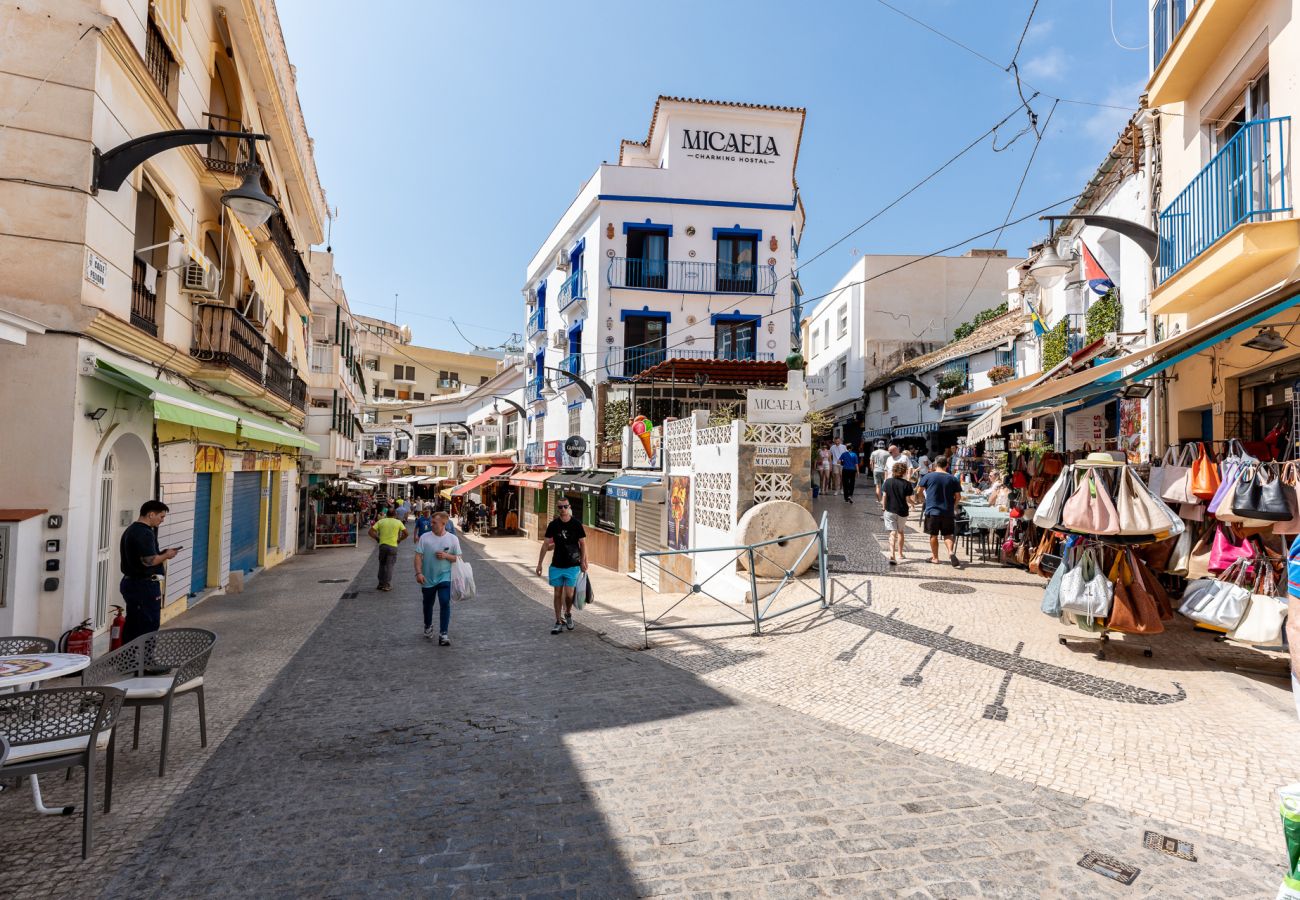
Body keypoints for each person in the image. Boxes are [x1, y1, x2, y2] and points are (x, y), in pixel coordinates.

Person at [119, 500, 179, 644]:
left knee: (134, 623)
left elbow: (144, 557)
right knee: (147, 624)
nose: (162, 520)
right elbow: (149, 561)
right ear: (151, 514)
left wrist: (161, 554)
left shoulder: (132, 530)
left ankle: (130, 661)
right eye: (161, 517)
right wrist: (167, 555)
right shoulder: (144, 533)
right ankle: (145, 663)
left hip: (132, 583)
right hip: (143, 585)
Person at [536, 498, 588, 634]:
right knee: (557, 593)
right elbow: (545, 544)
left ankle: (568, 613)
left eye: (565, 506)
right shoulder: (553, 525)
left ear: (569, 507)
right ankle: (558, 621)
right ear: (557, 508)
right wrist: (539, 564)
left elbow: (583, 544)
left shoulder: (576, 524)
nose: (563, 509)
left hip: (573, 565)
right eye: (560, 507)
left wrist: (583, 561)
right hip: (557, 565)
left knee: (569, 595)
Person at [414, 511, 461, 646]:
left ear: (443, 523)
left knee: (445, 602)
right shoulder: (424, 537)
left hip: (445, 577)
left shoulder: (453, 539)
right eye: (431, 521)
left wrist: (446, 556)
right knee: (428, 604)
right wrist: (418, 573)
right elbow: (418, 556)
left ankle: (443, 634)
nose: (431, 524)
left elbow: (459, 558)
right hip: (427, 577)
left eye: (434, 522)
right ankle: (428, 625)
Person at [918, 455, 963, 568]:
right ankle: (950, 552)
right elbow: (958, 497)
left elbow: (919, 491)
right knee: (948, 534)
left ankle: (935, 558)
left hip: (932, 511)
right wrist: (953, 506)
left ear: (936, 464)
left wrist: (923, 500)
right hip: (947, 511)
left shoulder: (928, 476)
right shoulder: (953, 478)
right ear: (947, 465)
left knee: (933, 535)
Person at [880, 462, 915, 565]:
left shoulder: (887, 482)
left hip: (890, 510)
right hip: (902, 511)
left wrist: (883, 507)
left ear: (893, 471)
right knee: (900, 532)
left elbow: (884, 496)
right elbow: (908, 499)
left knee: (892, 533)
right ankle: (900, 553)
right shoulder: (907, 484)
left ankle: (892, 555)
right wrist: (915, 503)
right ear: (904, 472)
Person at [368, 506, 408, 591]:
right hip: (393, 546)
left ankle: (380, 583)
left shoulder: (381, 521)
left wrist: (377, 538)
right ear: (395, 514)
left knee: (382, 565)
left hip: (383, 546)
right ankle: (387, 585)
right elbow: (406, 534)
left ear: (386, 514)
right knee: (389, 566)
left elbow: (370, 531)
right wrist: (399, 539)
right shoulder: (398, 522)